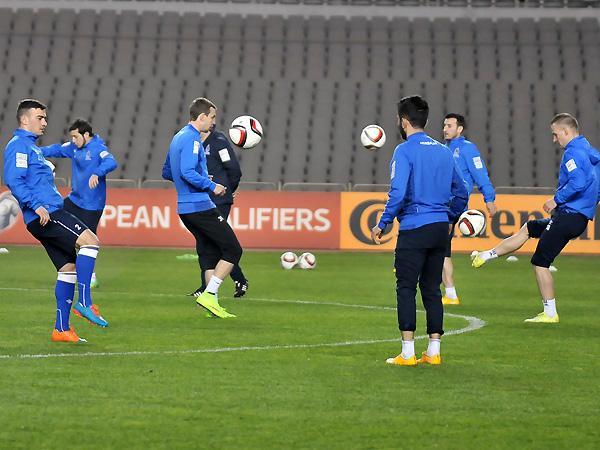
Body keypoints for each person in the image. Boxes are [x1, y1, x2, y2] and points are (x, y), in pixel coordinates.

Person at [471, 113, 600, 323]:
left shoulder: (573, 153)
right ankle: (487, 255)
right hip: (576, 217)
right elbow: (596, 183)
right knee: (530, 227)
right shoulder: (591, 152)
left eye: (555, 134)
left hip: (569, 215)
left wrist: (556, 200)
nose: (554, 139)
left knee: (540, 262)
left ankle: (550, 313)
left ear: (566, 131)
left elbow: (578, 182)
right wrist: (590, 203)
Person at [371, 96, 468, 366]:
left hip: (414, 227)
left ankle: (408, 353)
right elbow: (462, 191)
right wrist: (450, 217)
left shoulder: (404, 151)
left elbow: (398, 192)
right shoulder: (444, 151)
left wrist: (383, 222)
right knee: (432, 288)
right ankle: (434, 352)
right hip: (439, 229)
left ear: (404, 121)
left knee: (405, 287)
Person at [3, 99, 108, 343]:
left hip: (44, 213)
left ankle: (61, 329)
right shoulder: (19, 146)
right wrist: (36, 204)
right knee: (91, 242)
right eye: (40, 118)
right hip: (46, 214)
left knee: (67, 269)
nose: (45, 123)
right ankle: (85, 302)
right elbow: (14, 180)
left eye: (45, 118)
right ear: (24, 119)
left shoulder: (32, 148)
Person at [162, 97, 243, 319]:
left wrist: (190, 182)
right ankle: (210, 295)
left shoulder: (178, 137)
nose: (214, 122)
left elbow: (168, 171)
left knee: (208, 254)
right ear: (201, 117)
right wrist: (210, 185)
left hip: (185, 208)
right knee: (233, 250)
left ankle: (210, 304)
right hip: (200, 206)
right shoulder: (193, 139)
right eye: (212, 117)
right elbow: (187, 172)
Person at [41, 118, 118, 291]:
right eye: (72, 137)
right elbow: (56, 149)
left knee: (88, 243)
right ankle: (68, 268)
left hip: (92, 205)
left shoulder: (98, 148)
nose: (73, 140)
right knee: (53, 218)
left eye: (76, 137)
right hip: (74, 200)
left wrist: (97, 172)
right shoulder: (74, 147)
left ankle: (91, 276)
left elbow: (111, 162)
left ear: (86, 134)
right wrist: (35, 151)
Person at [441, 113, 497, 305]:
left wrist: (489, 199)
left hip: (453, 205)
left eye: (449, 126)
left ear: (460, 129)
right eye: (444, 125)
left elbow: (480, 174)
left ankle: (449, 293)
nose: (445, 129)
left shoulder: (467, 149)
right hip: (441, 204)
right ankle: (449, 293)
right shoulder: (443, 148)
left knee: (438, 247)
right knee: (440, 249)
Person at [187, 124, 248, 299]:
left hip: (219, 200)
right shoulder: (193, 142)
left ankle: (239, 280)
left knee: (218, 243)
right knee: (204, 243)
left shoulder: (219, 142)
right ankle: (207, 287)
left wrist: (228, 189)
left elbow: (234, 171)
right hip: (202, 200)